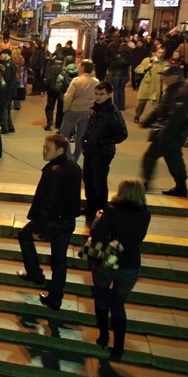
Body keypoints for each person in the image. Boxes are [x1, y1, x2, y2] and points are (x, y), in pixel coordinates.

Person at [16, 134, 82, 311]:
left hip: (52, 221)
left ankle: (36, 274)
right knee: (59, 261)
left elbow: (47, 201)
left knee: (24, 236)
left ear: (60, 150)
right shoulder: (75, 167)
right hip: (67, 222)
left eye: (47, 148)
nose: (43, 151)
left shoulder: (53, 171)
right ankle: (55, 299)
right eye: (44, 147)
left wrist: (39, 226)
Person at [89, 178, 152, 359]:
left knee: (101, 297)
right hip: (131, 263)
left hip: (108, 260)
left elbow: (97, 234)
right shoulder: (145, 213)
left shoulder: (112, 211)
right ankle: (118, 347)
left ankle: (103, 335)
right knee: (118, 303)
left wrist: (98, 219)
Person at [141, 65, 188, 196]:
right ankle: (181, 187)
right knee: (174, 160)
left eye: (167, 75)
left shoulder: (181, 92)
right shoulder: (172, 90)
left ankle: (146, 183)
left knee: (151, 156)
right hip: (171, 134)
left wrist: (163, 134)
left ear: (176, 76)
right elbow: (161, 108)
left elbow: (175, 118)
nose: (164, 78)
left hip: (171, 134)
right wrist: (149, 120)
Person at [81, 82, 128, 223]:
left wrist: (103, 141)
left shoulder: (112, 112)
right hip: (91, 150)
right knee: (88, 179)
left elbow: (122, 134)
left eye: (101, 94)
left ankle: (99, 209)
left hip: (102, 153)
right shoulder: (97, 109)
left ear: (109, 94)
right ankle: (91, 206)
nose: (98, 97)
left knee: (99, 182)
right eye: (96, 93)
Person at [59, 59, 98, 161]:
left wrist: (65, 108)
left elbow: (68, 97)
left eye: (80, 66)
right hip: (88, 111)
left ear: (83, 68)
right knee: (81, 136)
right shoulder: (96, 82)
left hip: (74, 110)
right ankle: (75, 157)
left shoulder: (76, 81)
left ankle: (68, 156)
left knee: (64, 134)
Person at [133, 45, 167, 124]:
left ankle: (152, 120)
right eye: (159, 52)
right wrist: (146, 68)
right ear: (155, 53)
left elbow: (166, 78)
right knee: (141, 103)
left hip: (157, 87)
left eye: (163, 53)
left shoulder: (165, 64)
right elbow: (137, 70)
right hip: (147, 85)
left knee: (155, 105)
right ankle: (137, 115)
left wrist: (165, 89)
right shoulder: (147, 60)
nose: (161, 54)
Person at [108, 40, 133, 110]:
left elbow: (113, 65)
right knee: (122, 90)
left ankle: (116, 106)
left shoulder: (118, 57)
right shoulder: (129, 57)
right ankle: (122, 105)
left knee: (116, 90)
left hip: (117, 74)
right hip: (125, 74)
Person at [0, 48, 17, 133]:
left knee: (4, 109)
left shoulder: (8, 65)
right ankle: (10, 126)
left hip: (7, 91)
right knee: (7, 109)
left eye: (2, 54)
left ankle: (5, 127)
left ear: (6, 54)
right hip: (10, 90)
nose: (0, 56)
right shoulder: (10, 64)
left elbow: (6, 78)